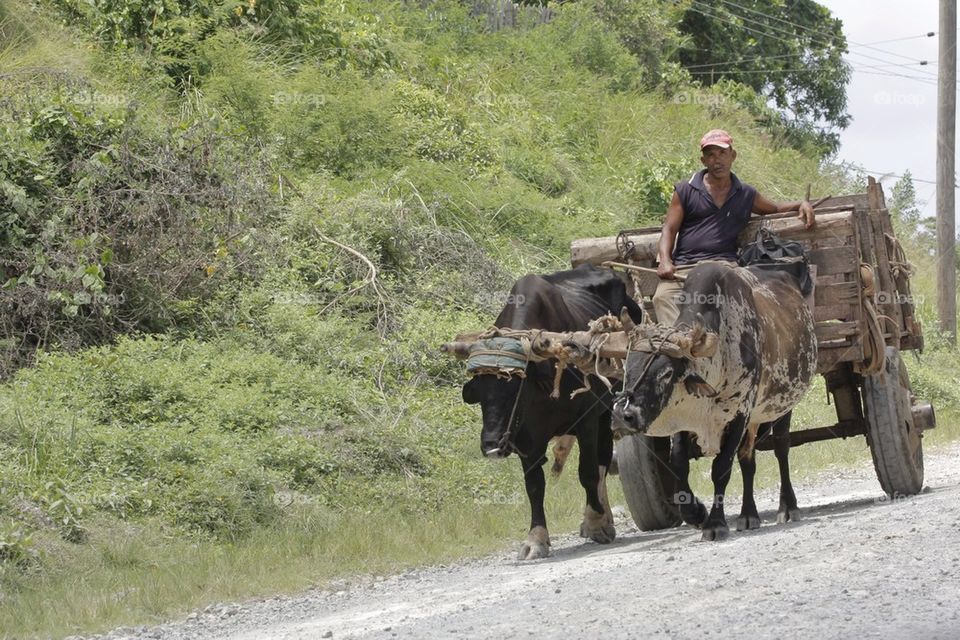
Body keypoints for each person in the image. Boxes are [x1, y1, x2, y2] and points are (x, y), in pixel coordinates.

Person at [653, 129, 816, 325]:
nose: (717, 160)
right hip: (685, 267)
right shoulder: (685, 190)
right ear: (703, 160)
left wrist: (801, 204)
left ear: (733, 156)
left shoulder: (745, 193)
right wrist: (665, 261)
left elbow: (773, 208)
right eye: (711, 155)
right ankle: (680, 347)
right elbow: (669, 229)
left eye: (722, 153)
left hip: (724, 265)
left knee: (735, 302)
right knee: (661, 297)